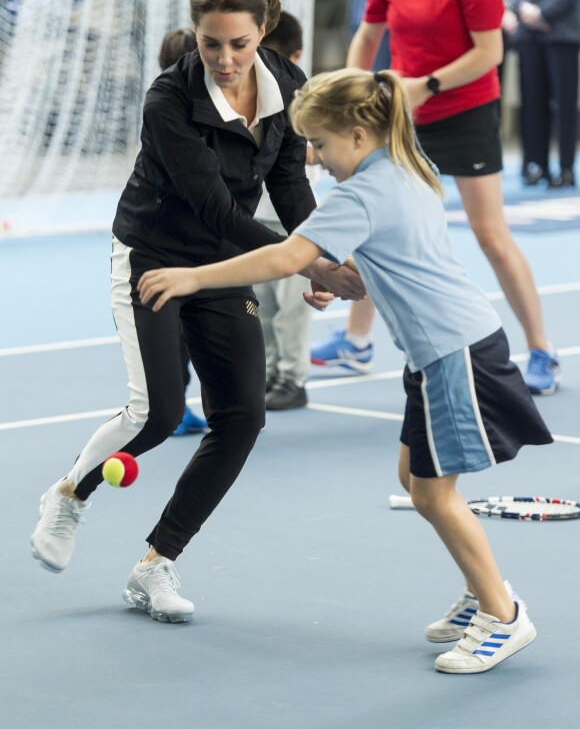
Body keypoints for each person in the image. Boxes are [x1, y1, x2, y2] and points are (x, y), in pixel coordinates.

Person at [138, 67, 552, 673]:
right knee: (416, 482)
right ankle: (480, 591)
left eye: (322, 144)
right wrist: (346, 271)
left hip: (452, 352)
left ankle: (504, 614)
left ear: (358, 134)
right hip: (445, 347)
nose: (314, 158)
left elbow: (285, 256)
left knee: (435, 496)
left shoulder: (362, 193)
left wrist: (191, 276)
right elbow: (387, 248)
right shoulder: (404, 166)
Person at [30, 0, 365, 623]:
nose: (224, 58)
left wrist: (319, 254)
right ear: (195, 35)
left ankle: (156, 564)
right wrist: (307, 268)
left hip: (223, 264)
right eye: (211, 43)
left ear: (262, 34)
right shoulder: (168, 100)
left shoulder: (288, 88)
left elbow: (292, 189)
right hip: (154, 257)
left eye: (238, 44)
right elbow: (215, 208)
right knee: (155, 413)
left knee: (243, 414)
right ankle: (69, 493)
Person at [311, 0, 562, 397]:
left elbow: (490, 52)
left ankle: (542, 349)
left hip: (466, 114)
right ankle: (357, 341)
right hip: (405, 116)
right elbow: (368, 36)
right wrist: (351, 93)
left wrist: (428, 84)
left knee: (490, 234)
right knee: (376, 227)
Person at [256, 11, 318, 410]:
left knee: (291, 307)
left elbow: (317, 149)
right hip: (254, 219)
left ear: (295, 57)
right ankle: (268, 373)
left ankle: (293, 377)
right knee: (261, 305)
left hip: (294, 221)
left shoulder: (303, 97)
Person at [158, 27, 208, 435]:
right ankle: (172, 409)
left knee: (193, 331)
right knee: (177, 333)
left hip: (198, 249)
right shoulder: (167, 116)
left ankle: (180, 406)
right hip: (173, 250)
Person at [509, 0, 580, 187]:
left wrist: (543, 13)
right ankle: (535, 164)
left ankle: (565, 167)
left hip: (560, 31)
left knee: (564, 103)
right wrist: (524, 8)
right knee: (532, 100)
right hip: (529, 33)